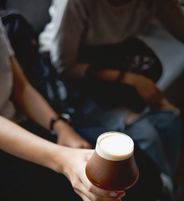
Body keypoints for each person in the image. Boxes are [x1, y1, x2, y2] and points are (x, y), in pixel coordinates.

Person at [0, 2, 184, 201]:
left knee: (135, 167)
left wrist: (60, 126)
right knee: (98, 187)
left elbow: (21, 88)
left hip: (23, 126)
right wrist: (63, 161)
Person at [39, 0, 183, 181]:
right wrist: (132, 80)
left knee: (170, 119)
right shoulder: (75, 4)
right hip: (70, 80)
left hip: (114, 62)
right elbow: (64, 66)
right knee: (146, 134)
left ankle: (169, 193)